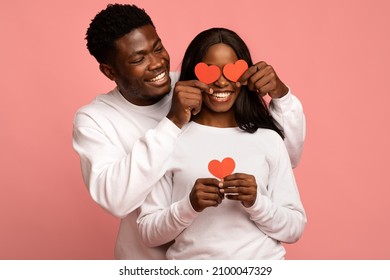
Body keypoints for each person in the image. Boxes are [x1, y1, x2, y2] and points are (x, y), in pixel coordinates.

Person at [72, 4, 306, 259]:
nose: (157, 64)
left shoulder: (197, 82)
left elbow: (285, 154)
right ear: (110, 71)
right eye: (139, 59)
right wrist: (172, 121)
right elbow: (117, 200)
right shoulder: (94, 119)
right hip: (148, 260)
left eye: (158, 48)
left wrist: (281, 95)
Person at [137, 27, 306, 259]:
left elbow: (294, 228)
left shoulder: (268, 139)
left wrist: (257, 203)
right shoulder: (169, 138)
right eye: (209, 73)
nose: (221, 82)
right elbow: (148, 233)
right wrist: (189, 206)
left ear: (245, 77)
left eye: (232, 72)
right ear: (192, 75)